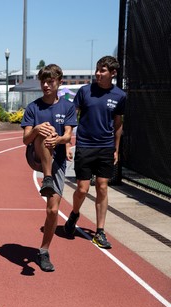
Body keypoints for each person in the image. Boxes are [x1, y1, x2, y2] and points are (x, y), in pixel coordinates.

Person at [64, 56, 126, 249]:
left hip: (106, 147)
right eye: (97, 70)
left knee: (102, 187)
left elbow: (118, 124)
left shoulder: (120, 96)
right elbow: (71, 116)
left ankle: (100, 231)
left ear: (113, 73)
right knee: (82, 189)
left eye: (103, 71)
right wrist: (68, 143)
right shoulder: (84, 91)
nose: (98, 74)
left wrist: (116, 149)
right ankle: (74, 214)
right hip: (85, 145)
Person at [21, 64, 77, 271]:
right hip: (35, 156)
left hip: (58, 160)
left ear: (59, 83)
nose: (46, 85)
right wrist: (37, 129)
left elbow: (68, 136)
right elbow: (25, 139)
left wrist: (58, 140)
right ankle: (46, 178)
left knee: (53, 210)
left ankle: (43, 251)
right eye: (43, 81)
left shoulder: (67, 107)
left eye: (50, 81)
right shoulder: (33, 108)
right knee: (45, 130)